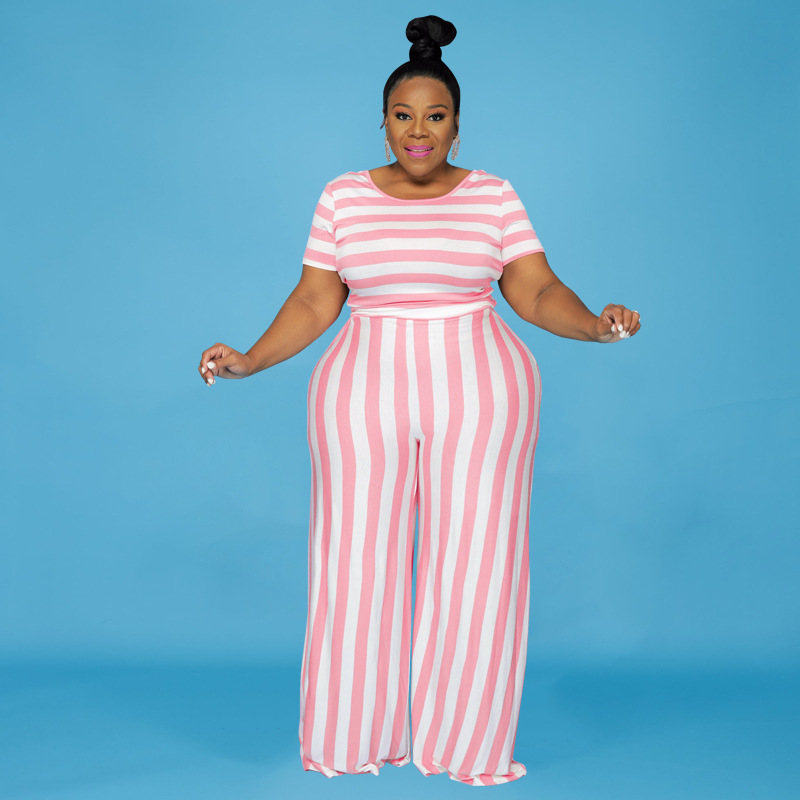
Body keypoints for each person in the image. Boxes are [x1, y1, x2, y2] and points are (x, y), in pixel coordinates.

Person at [197, 14, 640, 786]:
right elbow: (314, 300)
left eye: (435, 117)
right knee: (351, 562)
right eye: (403, 115)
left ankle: (466, 750)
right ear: (383, 123)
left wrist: (594, 326)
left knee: (478, 565)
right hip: (360, 387)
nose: (418, 130)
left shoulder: (494, 197)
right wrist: (251, 360)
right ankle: (347, 743)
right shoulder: (342, 198)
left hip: (481, 388)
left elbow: (535, 289)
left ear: (458, 128)